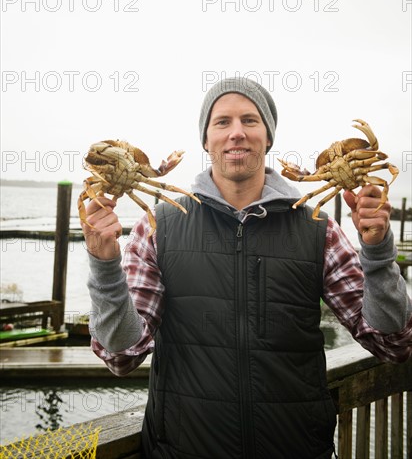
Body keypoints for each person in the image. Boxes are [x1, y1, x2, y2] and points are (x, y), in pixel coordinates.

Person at [82, 78, 412, 459]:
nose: (236, 133)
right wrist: (105, 266)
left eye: (250, 121)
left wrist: (377, 252)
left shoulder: (318, 230)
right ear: (205, 140)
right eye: (222, 122)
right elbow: (121, 356)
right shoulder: (159, 227)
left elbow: (393, 343)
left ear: (268, 138)